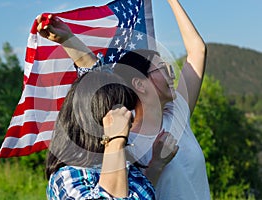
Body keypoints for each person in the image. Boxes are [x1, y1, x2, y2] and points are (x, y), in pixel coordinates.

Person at [37, 0, 210, 199]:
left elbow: (198, 51)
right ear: (140, 83)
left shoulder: (177, 114)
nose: (172, 75)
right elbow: (97, 88)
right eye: (163, 69)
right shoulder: (124, 138)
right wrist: (120, 143)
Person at [45, 70, 156, 199]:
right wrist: (115, 140)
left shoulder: (131, 171)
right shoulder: (68, 176)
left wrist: (156, 167)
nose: (129, 117)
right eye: (121, 109)